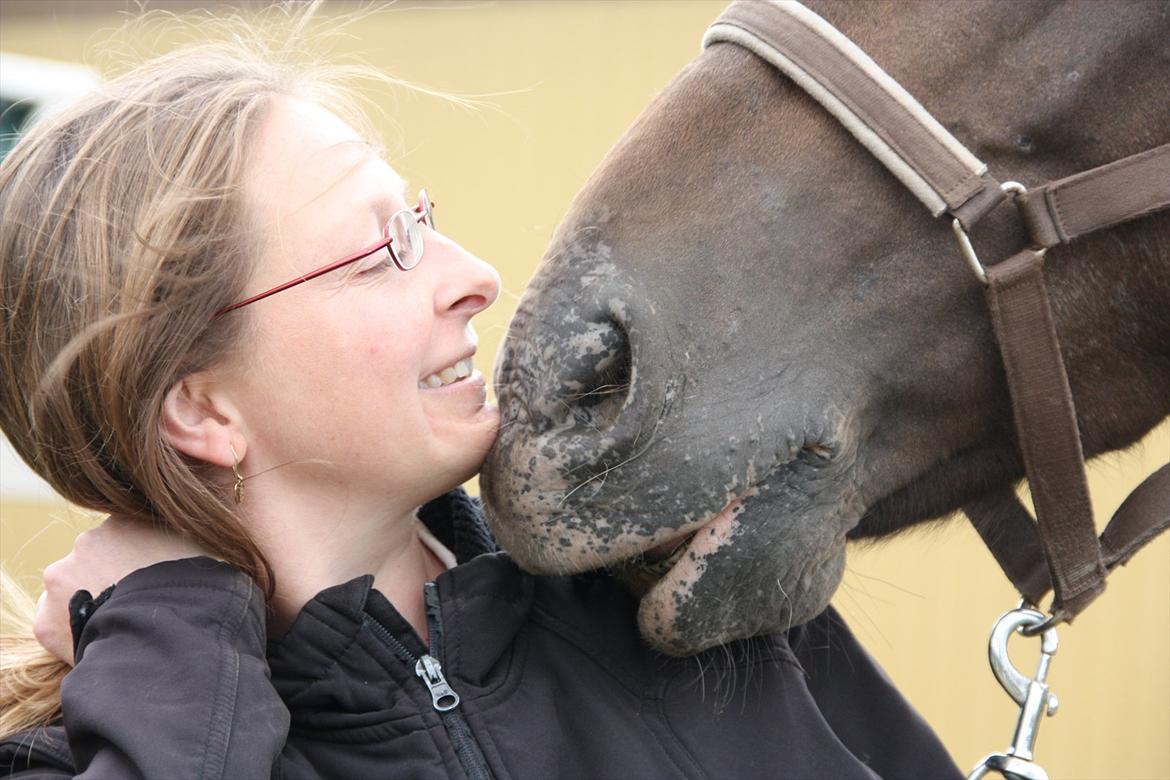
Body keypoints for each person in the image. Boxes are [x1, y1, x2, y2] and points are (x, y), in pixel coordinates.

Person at [0, 9, 962, 779]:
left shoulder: (676, 582)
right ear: (201, 408)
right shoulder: (82, 756)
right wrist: (171, 639)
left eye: (423, 220)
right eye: (383, 252)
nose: (477, 276)